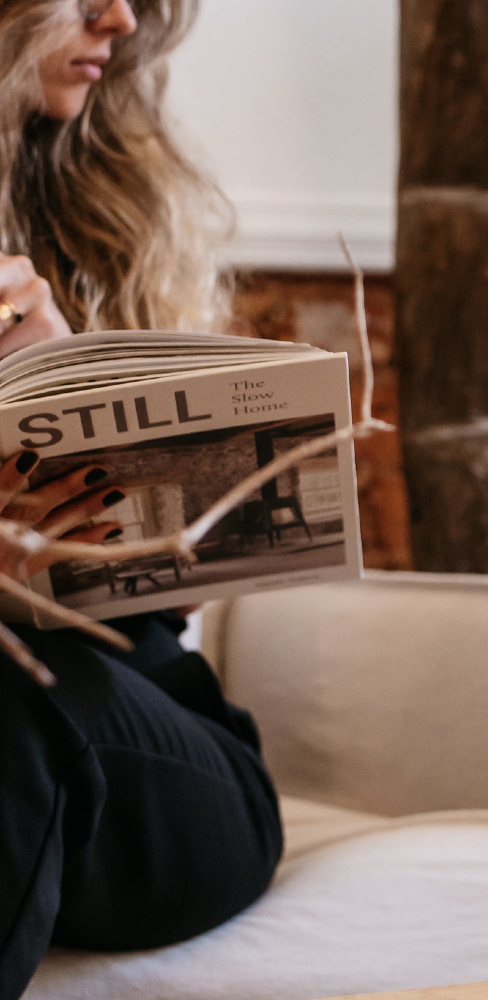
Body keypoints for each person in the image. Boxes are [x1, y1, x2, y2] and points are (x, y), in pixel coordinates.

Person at [0, 2, 281, 998]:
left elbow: (167, 601)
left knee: (15, 696)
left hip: (150, 738)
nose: (120, 16)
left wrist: (68, 389)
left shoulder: (102, 217)